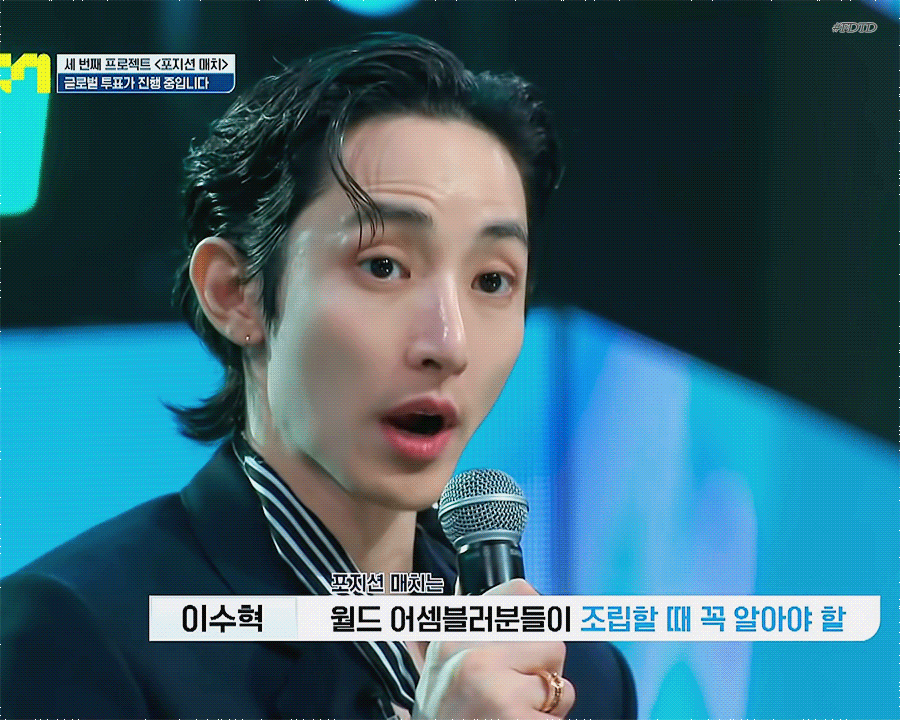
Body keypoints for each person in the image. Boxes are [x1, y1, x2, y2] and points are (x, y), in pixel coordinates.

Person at [2, 33, 637, 719]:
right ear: (235, 294)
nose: (449, 344)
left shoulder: (580, 679)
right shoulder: (77, 634)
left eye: (491, 280)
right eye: (384, 266)